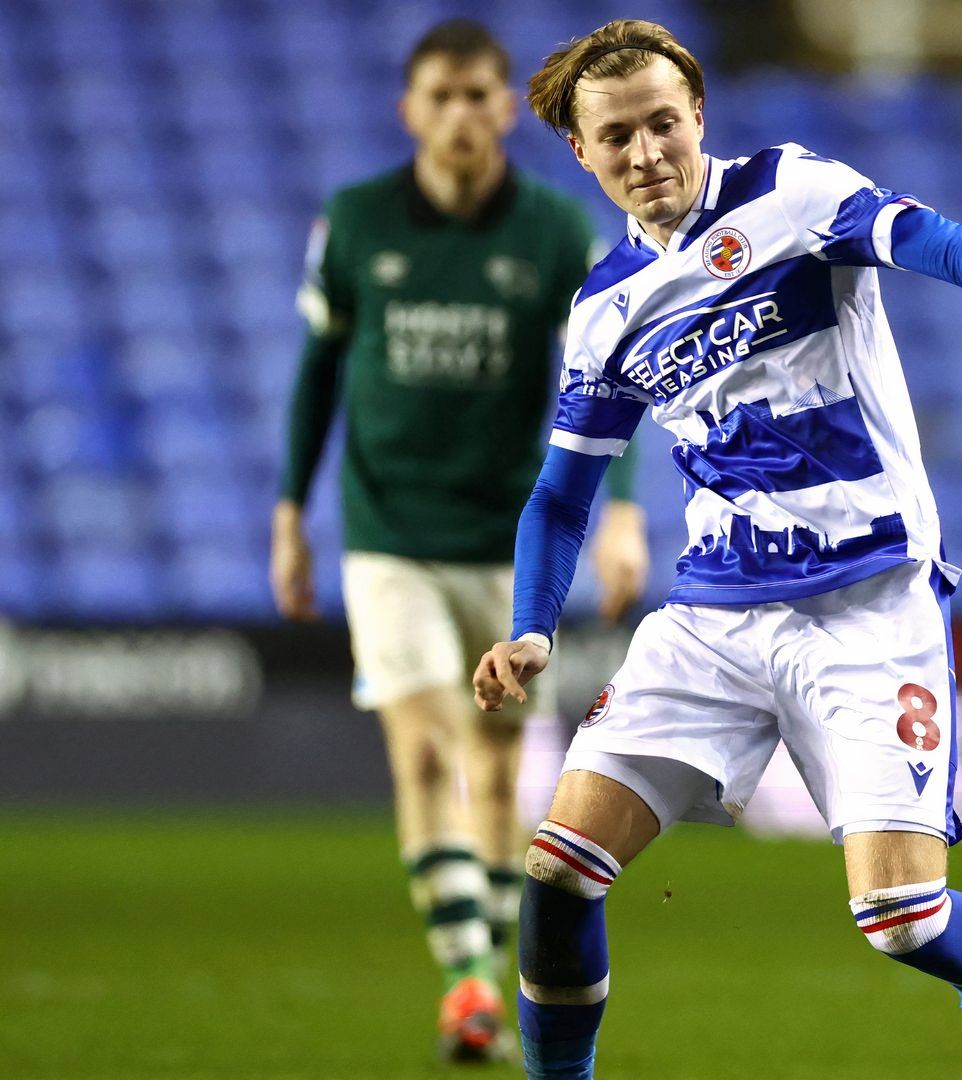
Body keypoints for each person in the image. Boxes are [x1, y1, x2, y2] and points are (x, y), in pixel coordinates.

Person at [471, 19, 962, 1080]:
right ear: (580, 150)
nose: (648, 153)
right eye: (618, 137)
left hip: (867, 604)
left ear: (700, 113)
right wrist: (529, 628)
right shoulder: (604, 312)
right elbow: (560, 496)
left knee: (903, 920)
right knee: (560, 866)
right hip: (714, 617)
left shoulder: (791, 194)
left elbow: (950, 245)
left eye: (664, 123)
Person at [271, 19, 646, 1064]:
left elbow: (612, 380)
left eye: (482, 95)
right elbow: (317, 374)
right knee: (428, 745)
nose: (462, 114)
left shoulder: (557, 232)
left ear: (504, 109)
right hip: (389, 528)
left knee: (496, 755)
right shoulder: (353, 223)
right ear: (411, 110)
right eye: (442, 96)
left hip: (508, 537)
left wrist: (618, 509)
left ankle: (478, 952)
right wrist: (290, 512)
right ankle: (470, 980)